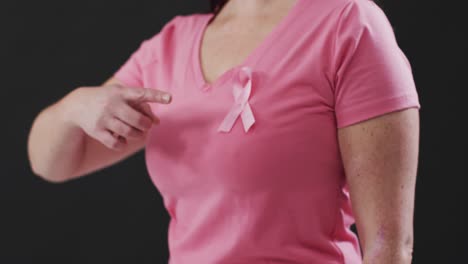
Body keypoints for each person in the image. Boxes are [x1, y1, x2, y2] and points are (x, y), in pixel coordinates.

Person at [27, 0, 421, 263]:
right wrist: (75, 106)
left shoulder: (348, 23)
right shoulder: (171, 44)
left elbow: (389, 247)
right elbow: (53, 163)